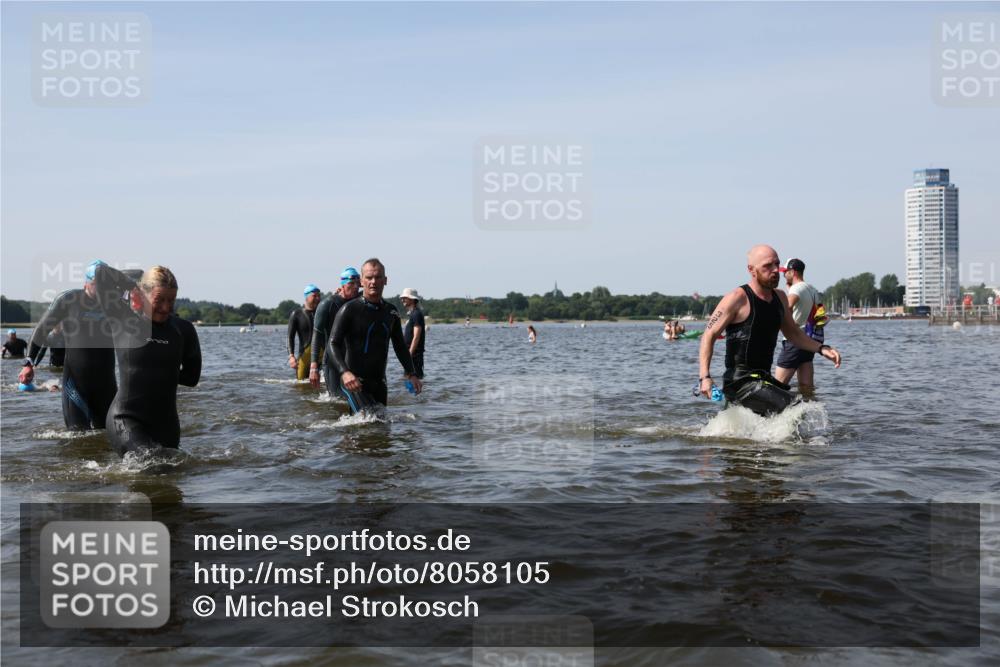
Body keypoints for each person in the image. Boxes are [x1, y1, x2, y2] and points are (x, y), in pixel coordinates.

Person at [698, 245, 842, 416]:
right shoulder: (737, 298)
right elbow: (709, 335)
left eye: (777, 264)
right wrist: (705, 377)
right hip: (740, 383)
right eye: (768, 266)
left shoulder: (780, 298)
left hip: (764, 380)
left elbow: (794, 333)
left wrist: (821, 348)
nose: (775, 270)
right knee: (796, 408)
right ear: (752, 270)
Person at [92, 263, 201, 457]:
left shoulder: (184, 330)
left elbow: (192, 378)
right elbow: (101, 273)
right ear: (143, 295)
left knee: (169, 476)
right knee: (149, 463)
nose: (166, 307)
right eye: (159, 300)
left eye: (172, 300)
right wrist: (132, 286)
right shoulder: (123, 319)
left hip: (166, 424)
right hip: (126, 419)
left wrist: (160, 372)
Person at [25, 261, 120, 430]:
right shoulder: (69, 300)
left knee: (107, 437)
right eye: (96, 285)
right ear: (86, 283)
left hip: (106, 383)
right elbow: (41, 329)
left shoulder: (115, 303)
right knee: (77, 436)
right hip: (76, 383)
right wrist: (29, 363)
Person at [328, 258, 422, 414]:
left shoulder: (391, 312)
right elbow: (333, 343)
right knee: (368, 422)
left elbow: (399, 346)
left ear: (385, 280)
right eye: (369, 278)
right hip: (353, 381)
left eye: (378, 277)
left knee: (381, 428)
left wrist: (411, 373)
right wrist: (345, 372)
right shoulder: (349, 309)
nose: (373, 282)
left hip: (379, 383)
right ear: (361, 281)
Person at [774, 258, 828, 392]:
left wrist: (784, 325)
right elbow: (818, 314)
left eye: (785, 272)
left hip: (795, 340)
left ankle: (773, 412)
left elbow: (787, 306)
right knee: (806, 387)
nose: (783, 275)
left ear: (792, 272)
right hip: (810, 340)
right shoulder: (812, 289)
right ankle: (808, 409)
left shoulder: (796, 289)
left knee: (776, 386)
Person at [309, 267, 361, 391]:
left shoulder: (360, 302)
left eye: (357, 284)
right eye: (350, 284)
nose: (355, 287)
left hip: (353, 359)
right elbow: (317, 335)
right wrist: (314, 366)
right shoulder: (327, 304)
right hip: (333, 360)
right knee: (335, 400)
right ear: (342, 285)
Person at [288, 284, 321, 381]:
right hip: (304, 356)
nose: (317, 298)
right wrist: (291, 356)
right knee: (301, 384)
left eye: (319, 296)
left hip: (321, 354)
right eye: (314, 296)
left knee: (324, 383)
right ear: (306, 297)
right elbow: (290, 337)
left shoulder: (322, 312)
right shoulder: (296, 314)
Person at [399, 288, 426, 379]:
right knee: (409, 381)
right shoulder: (413, 314)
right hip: (411, 355)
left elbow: (416, 337)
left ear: (412, 299)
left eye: (405, 298)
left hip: (414, 356)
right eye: (402, 298)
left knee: (414, 381)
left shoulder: (416, 314)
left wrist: (409, 355)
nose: (402, 300)